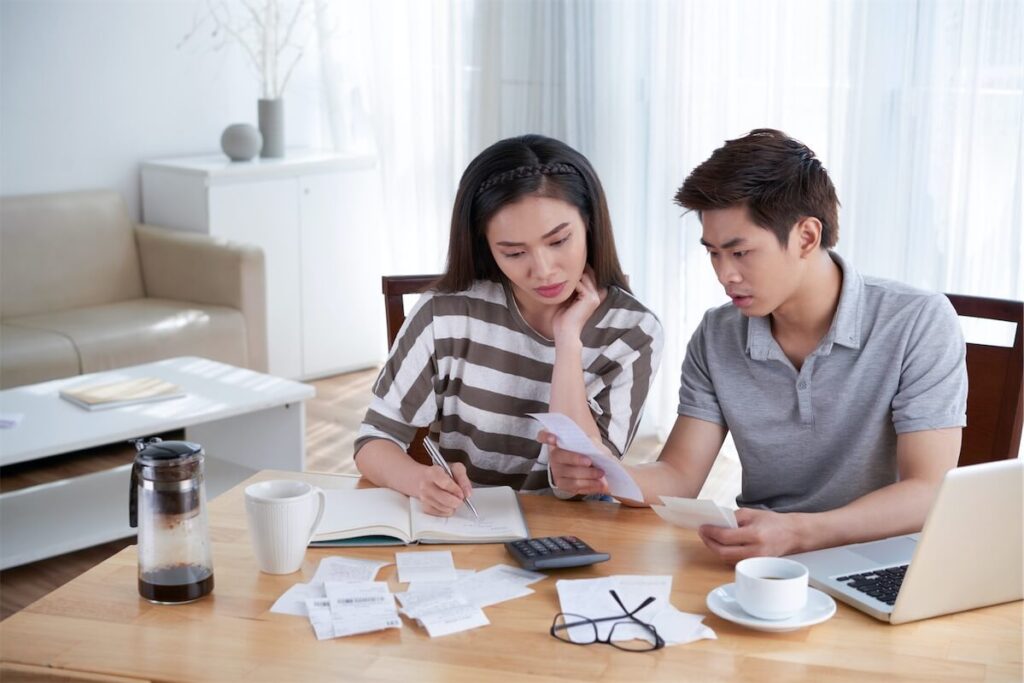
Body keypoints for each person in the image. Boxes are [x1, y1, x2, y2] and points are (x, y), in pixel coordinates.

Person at [544, 128, 967, 562]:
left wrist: (802, 532)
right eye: (713, 253)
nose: (725, 274)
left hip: (881, 558)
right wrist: (606, 474)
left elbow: (927, 490)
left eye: (740, 252)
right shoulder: (718, 335)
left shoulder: (918, 320)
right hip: (763, 561)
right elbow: (678, 476)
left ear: (806, 237)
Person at [355, 134, 663, 516]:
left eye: (559, 241)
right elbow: (373, 440)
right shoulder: (446, 312)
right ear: (486, 246)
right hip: (465, 521)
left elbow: (581, 482)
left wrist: (568, 342)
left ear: (590, 223)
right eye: (514, 252)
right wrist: (419, 481)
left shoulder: (632, 330)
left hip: (569, 532)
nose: (544, 269)